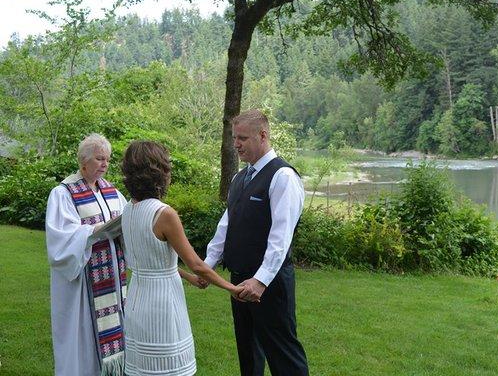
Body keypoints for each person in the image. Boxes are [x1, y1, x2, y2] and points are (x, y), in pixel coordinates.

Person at [120, 140, 243, 375]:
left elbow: (154, 263)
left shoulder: (128, 210)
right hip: (163, 304)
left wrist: (189, 278)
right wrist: (232, 288)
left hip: (136, 300)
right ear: (159, 172)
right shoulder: (164, 214)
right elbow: (197, 263)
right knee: (170, 369)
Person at [205, 109, 309, 376]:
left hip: (270, 285)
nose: (236, 144)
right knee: (248, 356)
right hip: (238, 280)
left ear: (263, 136)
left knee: (283, 354)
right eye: (234, 138)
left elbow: (281, 237)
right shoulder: (239, 178)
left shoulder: (282, 177)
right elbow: (226, 225)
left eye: (242, 138)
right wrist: (207, 265)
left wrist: (261, 280)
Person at [45, 133, 128, 376]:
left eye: (108, 159)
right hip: (82, 281)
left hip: (112, 277)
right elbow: (61, 237)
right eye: (99, 159)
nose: (105, 164)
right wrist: (94, 232)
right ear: (83, 161)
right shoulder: (63, 193)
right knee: (81, 332)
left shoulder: (111, 192)